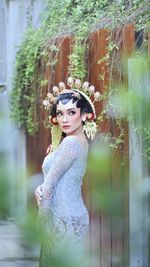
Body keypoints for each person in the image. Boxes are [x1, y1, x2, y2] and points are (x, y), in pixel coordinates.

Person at [34, 77, 101, 267]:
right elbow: (52, 182)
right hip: (66, 214)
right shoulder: (72, 141)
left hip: (63, 218)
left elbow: (50, 184)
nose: (64, 119)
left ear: (84, 115)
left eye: (71, 112)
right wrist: (39, 189)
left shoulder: (71, 143)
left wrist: (39, 224)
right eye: (60, 113)